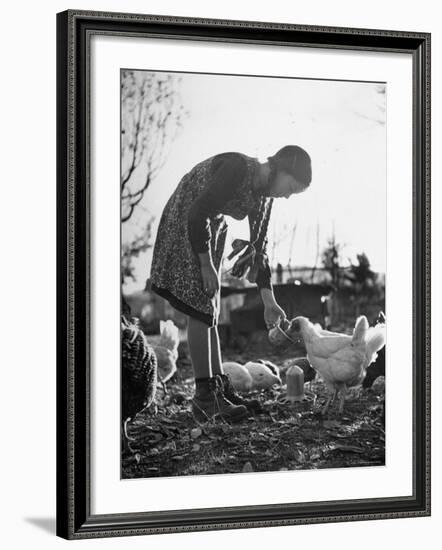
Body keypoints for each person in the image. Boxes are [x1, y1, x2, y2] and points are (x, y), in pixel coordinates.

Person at [149, 145, 312, 422]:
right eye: (290, 187)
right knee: (200, 306)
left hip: (210, 228)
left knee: (210, 306)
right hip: (188, 218)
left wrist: (269, 301)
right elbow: (198, 211)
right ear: (280, 168)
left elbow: (258, 249)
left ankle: (218, 386)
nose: (286, 195)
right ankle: (204, 397)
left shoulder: (263, 198)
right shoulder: (238, 168)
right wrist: (204, 263)